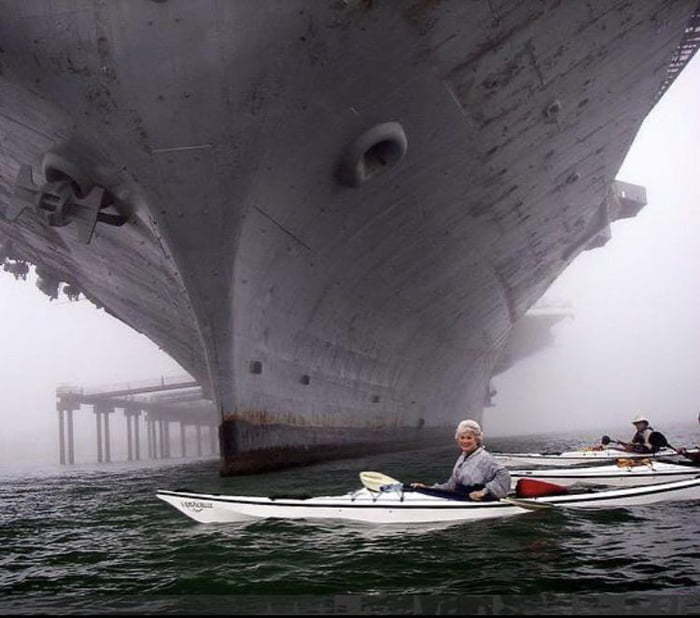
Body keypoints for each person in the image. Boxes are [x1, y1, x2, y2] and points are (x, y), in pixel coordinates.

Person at [411, 419, 511, 501]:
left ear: (477, 439)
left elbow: (504, 475)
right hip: (460, 496)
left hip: (475, 500)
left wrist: (484, 492)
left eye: (469, 438)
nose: (465, 441)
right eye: (462, 437)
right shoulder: (462, 457)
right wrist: (426, 488)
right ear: (457, 439)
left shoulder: (486, 458)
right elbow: (452, 485)